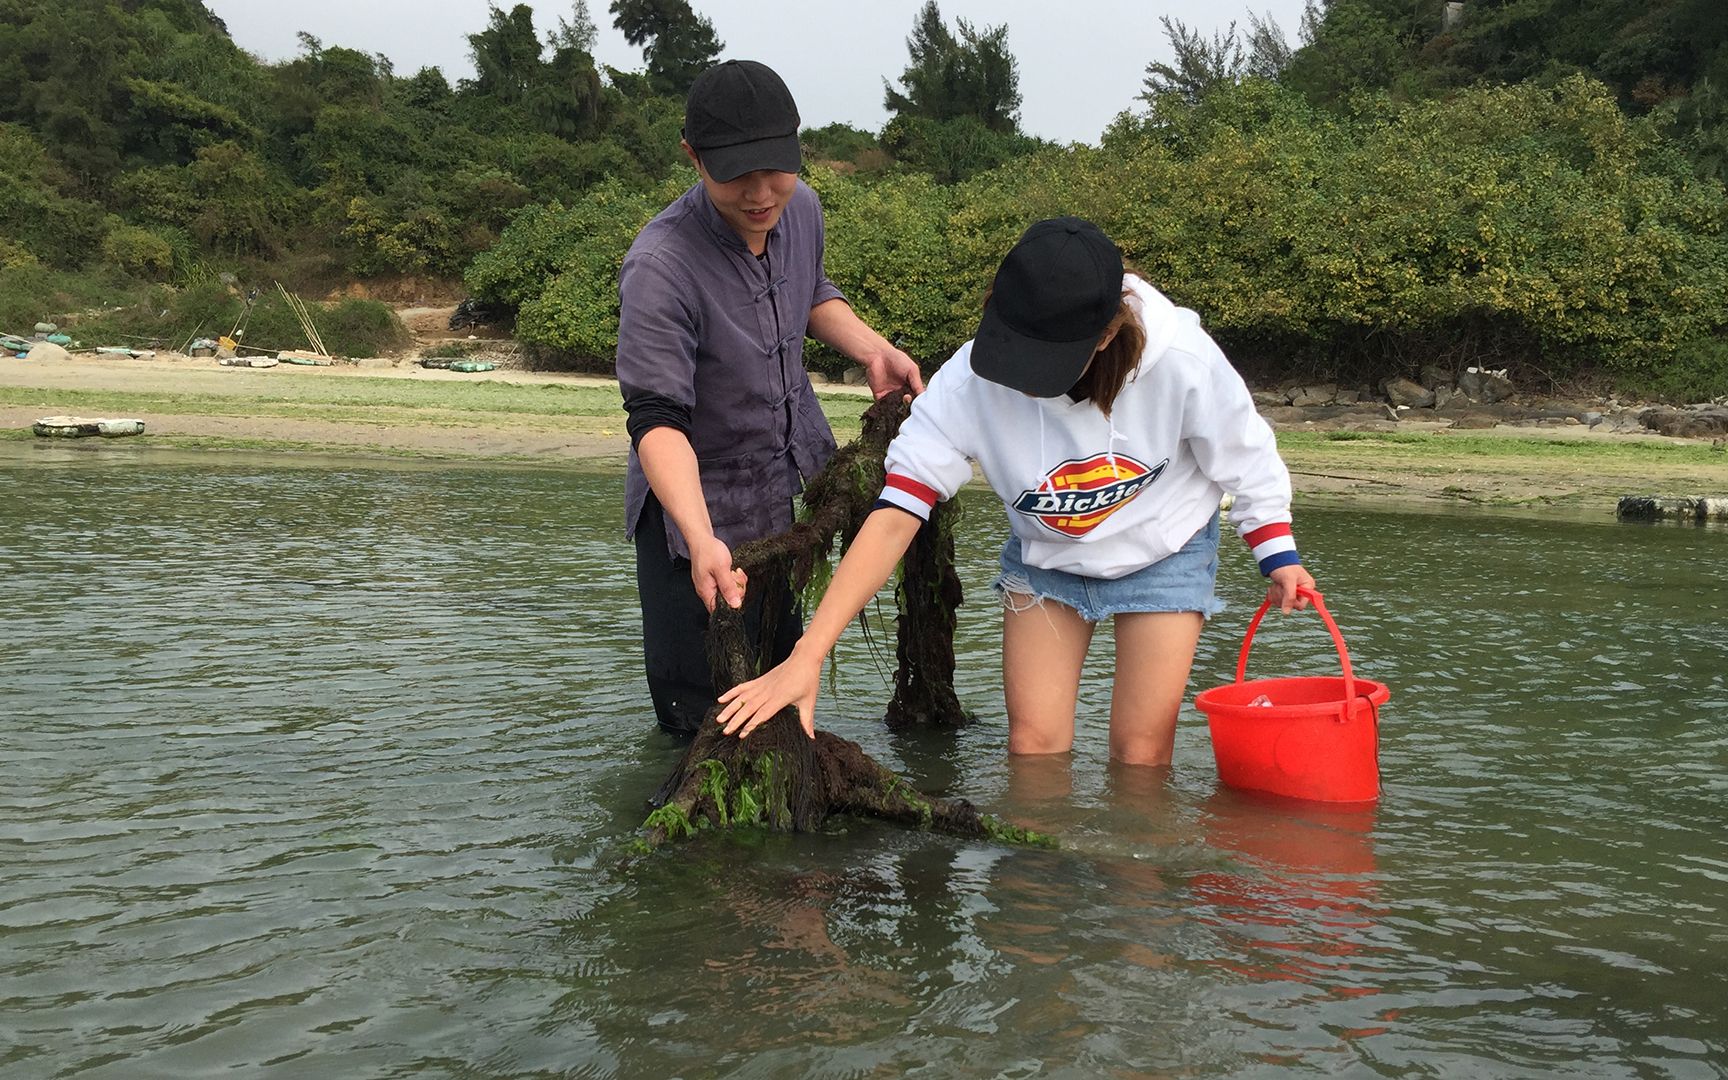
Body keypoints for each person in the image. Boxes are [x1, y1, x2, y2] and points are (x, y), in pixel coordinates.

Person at [715, 217, 1316, 767]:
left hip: (1167, 546)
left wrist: (1278, 554)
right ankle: (1035, 883)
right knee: (1034, 746)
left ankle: (1138, 883)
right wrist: (809, 652)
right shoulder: (969, 380)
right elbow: (897, 512)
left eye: (1044, 365)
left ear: (1106, 336)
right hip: (1047, 555)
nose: (1023, 384)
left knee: (1141, 751)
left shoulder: (1182, 361)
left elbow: (1245, 453)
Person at [617, 59, 925, 736]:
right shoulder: (659, 266)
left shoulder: (802, 207)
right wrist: (701, 540)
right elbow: (656, 419)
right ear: (692, 157)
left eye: (775, 170)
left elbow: (811, 291)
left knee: (779, 685)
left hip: (778, 492)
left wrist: (873, 348)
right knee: (698, 719)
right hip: (688, 518)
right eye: (736, 175)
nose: (760, 194)